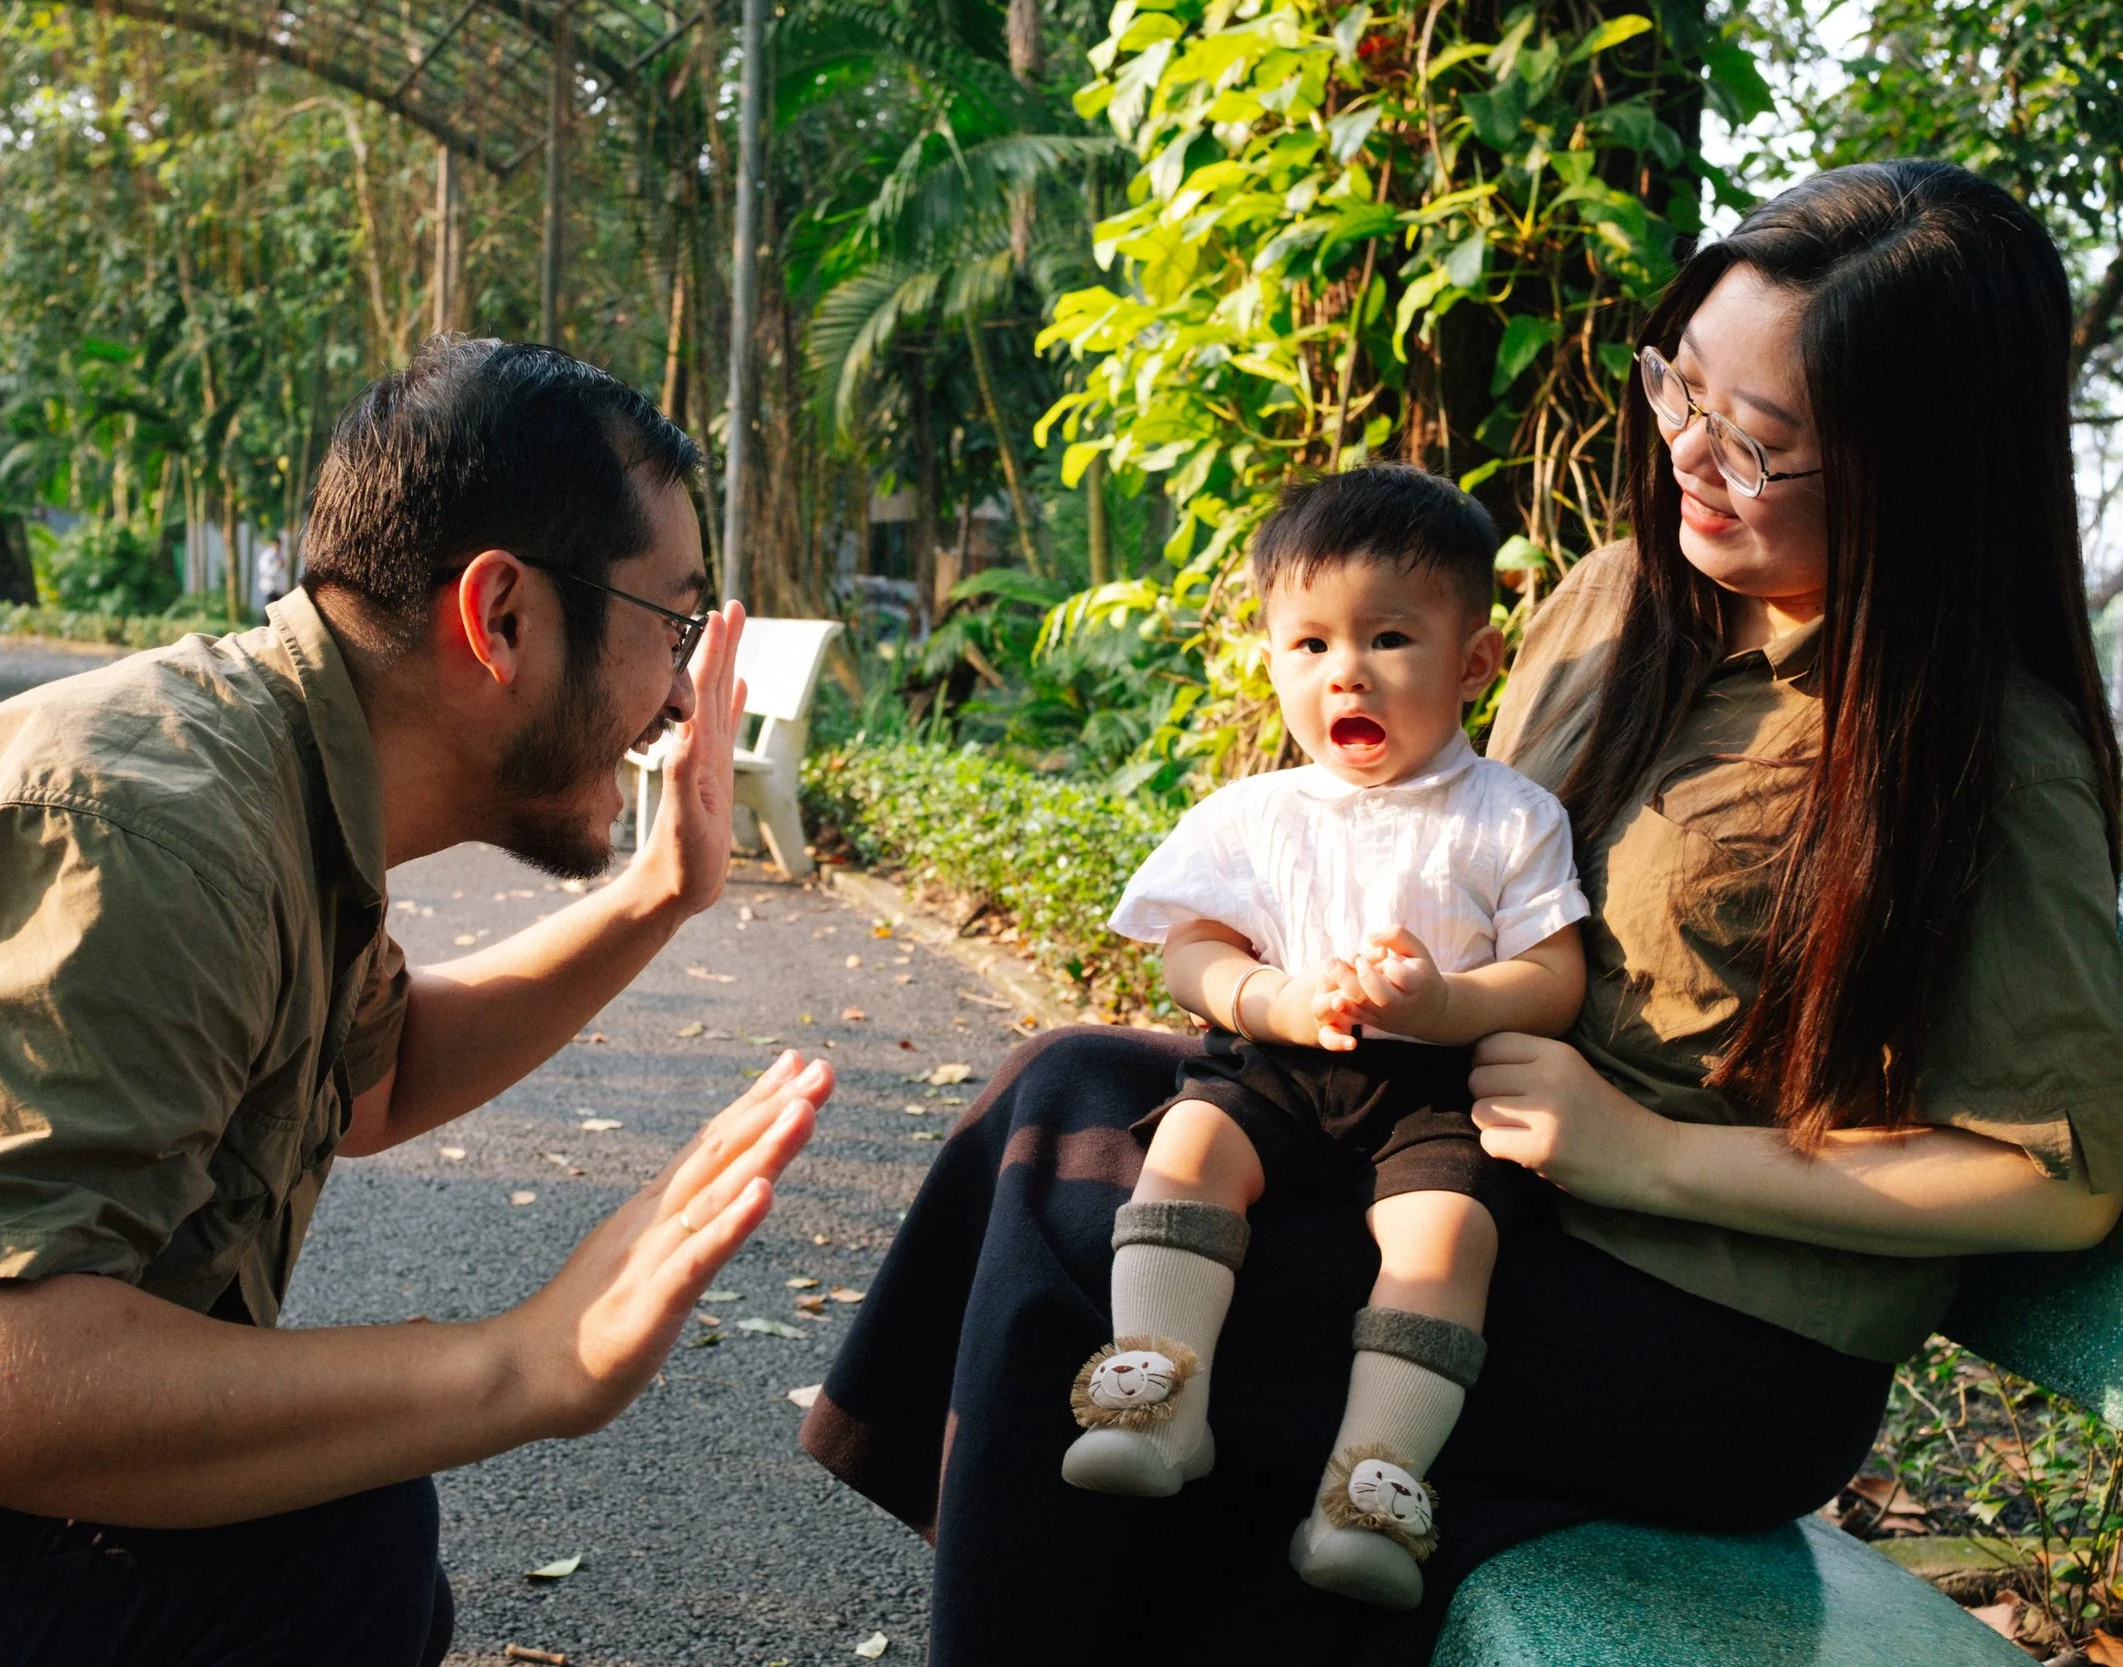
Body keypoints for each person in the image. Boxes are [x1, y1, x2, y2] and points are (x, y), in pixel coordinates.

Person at [804, 159, 2123, 1665]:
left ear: (1919, 469)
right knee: (1066, 1099)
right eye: (1678, 387)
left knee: (1083, 1249)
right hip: (1464, 1171)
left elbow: (2051, 1178)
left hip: (1709, 1328)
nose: (1689, 451)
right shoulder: (1623, 599)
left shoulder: (1986, 753)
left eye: (1754, 441)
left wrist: (1653, 1156)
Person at [0, 338, 831, 1665]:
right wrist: (521, 1361)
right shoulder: (153, 822)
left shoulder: (280, 774)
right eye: (674, 623)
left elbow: (376, 1075)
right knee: (320, 1548)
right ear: (502, 619)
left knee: (310, 1522)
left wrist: (660, 892)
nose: (675, 697)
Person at [1059, 465, 1587, 1616]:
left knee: (1444, 1241)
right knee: (1190, 1144)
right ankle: (1155, 1400)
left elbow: (1554, 976)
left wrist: (1447, 1003)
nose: (1343, 669)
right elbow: (1184, 952)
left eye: (1388, 636)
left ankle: (1368, 1486)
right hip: (1279, 1065)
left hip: (1437, 1088)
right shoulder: (1253, 814)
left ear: (1474, 662)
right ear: (1272, 662)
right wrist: (1268, 998)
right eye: (1306, 645)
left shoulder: (1508, 815)